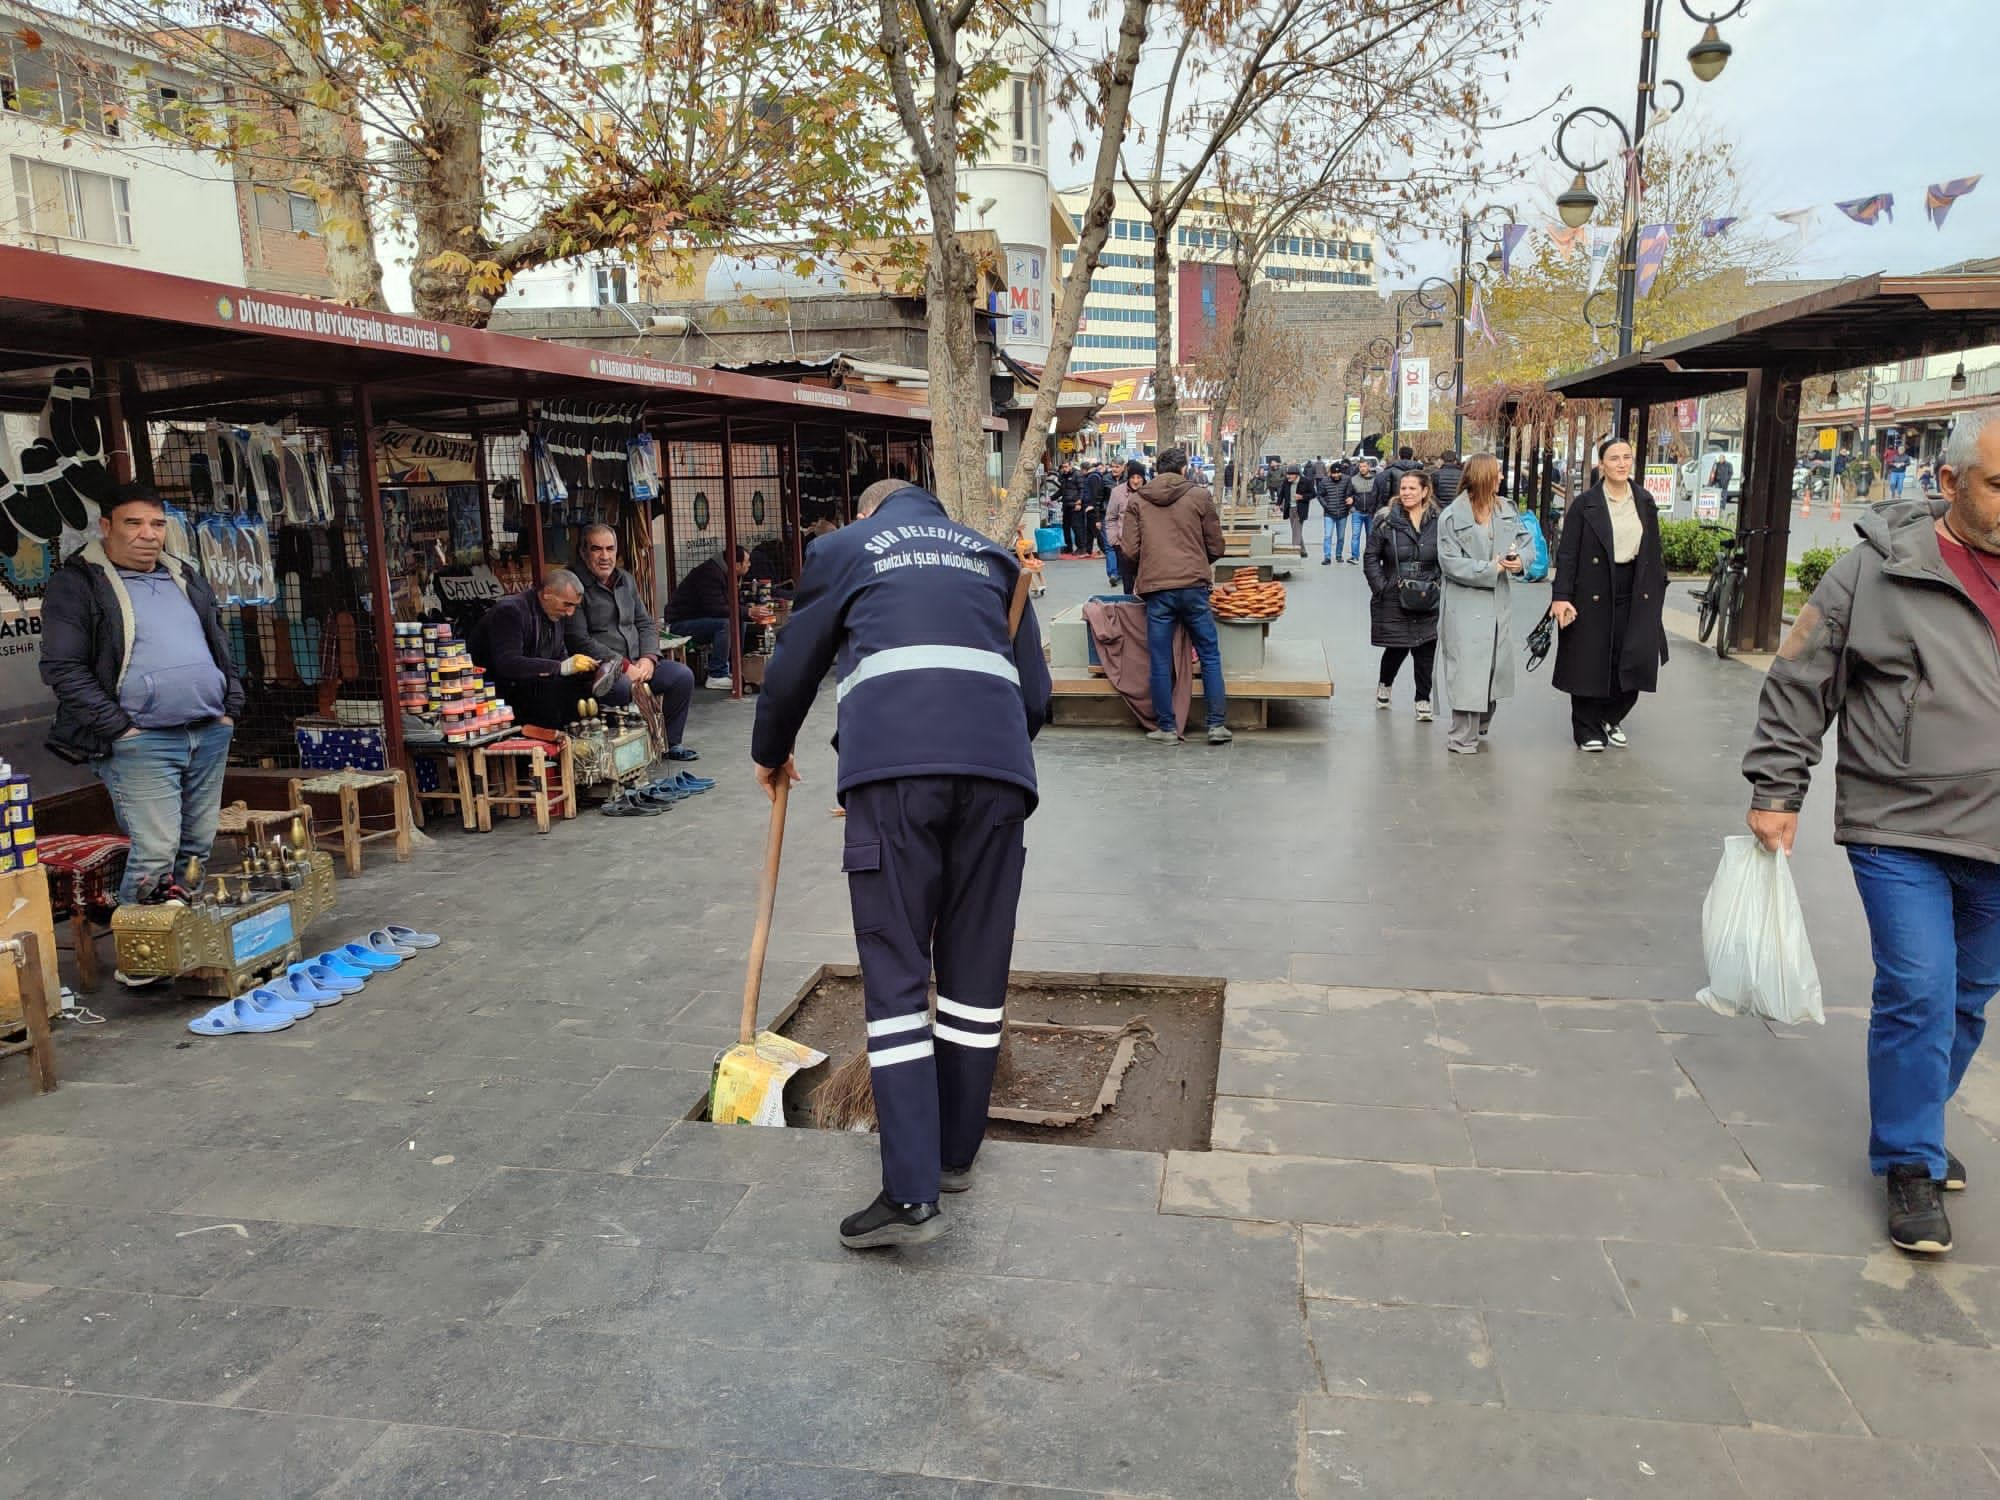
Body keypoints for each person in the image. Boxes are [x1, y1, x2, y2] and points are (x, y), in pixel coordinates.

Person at [750, 477, 1050, 1249]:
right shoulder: (992, 558)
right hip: (1000, 781)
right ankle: (954, 1155)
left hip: (895, 786)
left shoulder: (844, 551)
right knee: (975, 981)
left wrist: (770, 751)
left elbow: (793, 667)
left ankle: (910, 1192)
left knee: (894, 973)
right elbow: (1037, 699)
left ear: (866, 513)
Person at [1741, 410, 2000, 1258]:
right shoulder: (1873, 570)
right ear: (1952, 482)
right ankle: (1910, 1165)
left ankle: (1915, 1120)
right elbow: (1797, 677)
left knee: (1967, 999)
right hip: (1900, 821)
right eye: (1999, 484)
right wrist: (1777, 787)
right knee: (1920, 989)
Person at [40, 485, 243, 949]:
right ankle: (142, 954)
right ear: (106, 527)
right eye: (133, 524)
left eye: (156, 524)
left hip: (208, 731)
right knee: (155, 852)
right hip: (142, 742)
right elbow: (62, 668)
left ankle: (179, 930)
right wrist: (119, 728)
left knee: (196, 847)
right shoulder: (80, 583)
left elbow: (218, 642)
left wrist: (230, 707)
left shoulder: (182, 574)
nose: (147, 535)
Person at [1549, 438, 1669, 751]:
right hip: (1593, 588)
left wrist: (1659, 587)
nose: (1621, 463)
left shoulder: (1644, 500)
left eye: (1626, 457)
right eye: (1614, 458)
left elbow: (1654, 550)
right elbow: (1567, 554)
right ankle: (1587, 727)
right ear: (1602, 464)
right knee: (1589, 658)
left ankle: (1611, 716)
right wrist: (1561, 596)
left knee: (1634, 656)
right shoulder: (1585, 504)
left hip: (1636, 587)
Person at [1124, 447, 1230, 746]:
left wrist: (1151, 563)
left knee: (1159, 658)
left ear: (1157, 470)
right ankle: (1216, 725)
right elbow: (1216, 546)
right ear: (1184, 469)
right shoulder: (1199, 496)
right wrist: (1198, 560)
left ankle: (1167, 728)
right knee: (1209, 654)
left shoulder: (1137, 500)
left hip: (1157, 589)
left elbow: (1129, 550)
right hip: (1194, 586)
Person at [567, 523, 699, 761]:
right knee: (620, 689)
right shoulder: (574, 585)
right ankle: (626, 753)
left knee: (682, 676)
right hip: (601, 669)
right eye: (597, 549)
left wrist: (649, 658)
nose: (605, 556)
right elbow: (580, 640)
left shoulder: (625, 580)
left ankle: (670, 742)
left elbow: (645, 623)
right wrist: (625, 666)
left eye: (610, 549)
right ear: (583, 552)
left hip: (638, 663)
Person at [1437, 454, 1526, 753]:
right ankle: (1462, 736)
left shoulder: (1506, 510)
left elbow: (1525, 544)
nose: (1501, 477)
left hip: (1496, 602)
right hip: (1464, 603)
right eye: (1497, 473)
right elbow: (1450, 563)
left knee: (1491, 667)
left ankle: (1482, 721)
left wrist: (1520, 562)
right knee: (1466, 670)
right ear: (1484, 476)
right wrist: (1491, 569)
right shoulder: (1451, 516)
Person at [469, 570, 607, 731]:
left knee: (586, 692)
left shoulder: (554, 613)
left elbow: (559, 657)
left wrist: (585, 669)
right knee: (555, 699)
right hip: (499, 696)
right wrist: (562, 667)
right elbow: (507, 663)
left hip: (531, 690)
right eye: (567, 604)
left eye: (574, 606)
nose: (570, 613)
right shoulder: (510, 611)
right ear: (547, 593)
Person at [1362, 467, 1442, 721]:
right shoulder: (1387, 521)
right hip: (1394, 593)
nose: (1406, 493)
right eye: (1403, 488)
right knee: (1397, 647)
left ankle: (1422, 699)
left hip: (1426, 593)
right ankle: (1385, 683)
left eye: (1412, 488)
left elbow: (1446, 555)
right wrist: (1381, 586)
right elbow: (1371, 556)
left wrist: (1437, 581)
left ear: (1425, 492)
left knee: (1425, 648)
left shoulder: (1439, 522)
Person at [666, 546, 747, 689]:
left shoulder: (728, 575)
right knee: (726, 624)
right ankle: (716, 675)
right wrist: (747, 611)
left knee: (739, 619)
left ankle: (734, 668)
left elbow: (730, 606)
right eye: (747, 562)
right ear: (736, 564)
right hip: (678, 623)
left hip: (697, 620)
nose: (749, 565)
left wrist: (747, 611)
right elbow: (716, 609)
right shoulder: (710, 574)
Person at [1104, 460, 1144, 594]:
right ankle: (1129, 609)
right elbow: (1110, 518)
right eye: (1133, 477)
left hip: (1145, 545)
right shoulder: (1117, 492)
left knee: (1144, 582)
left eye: (1139, 477)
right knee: (1128, 583)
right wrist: (1114, 541)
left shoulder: (1150, 492)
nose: (1136, 481)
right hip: (1123, 545)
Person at [1318, 460, 1350, 566]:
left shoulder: (1347, 480)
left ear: (1341, 472)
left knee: (1340, 537)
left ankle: (1338, 555)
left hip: (1343, 512)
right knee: (1328, 536)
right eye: (1334, 473)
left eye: (1338, 473)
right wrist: (1326, 506)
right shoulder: (1324, 481)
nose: (1336, 475)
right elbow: (1320, 495)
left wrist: (1349, 502)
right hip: (1329, 513)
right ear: (1330, 473)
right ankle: (1327, 557)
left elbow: (1351, 493)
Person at [1081, 459, 1111, 558]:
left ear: (1084, 469)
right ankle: (1088, 550)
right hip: (1089, 506)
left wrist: (1092, 505)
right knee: (1089, 530)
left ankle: (1103, 550)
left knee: (1096, 530)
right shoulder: (1091, 476)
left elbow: (1095, 493)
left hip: (1092, 507)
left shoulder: (1093, 477)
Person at [1057, 460, 1085, 554]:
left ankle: (1081, 547)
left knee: (1076, 527)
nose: (1065, 469)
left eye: (1066, 467)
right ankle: (1068, 547)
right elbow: (1061, 491)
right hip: (1066, 505)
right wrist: (1051, 498)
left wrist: (1079, 502)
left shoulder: (1077, 475)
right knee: (1066, 527)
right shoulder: (1063, 476)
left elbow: (1082, 489)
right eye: (1063, 467)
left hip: (1075, 505)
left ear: (1070, 466)